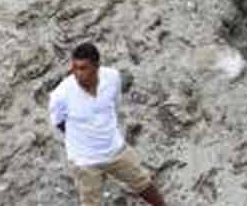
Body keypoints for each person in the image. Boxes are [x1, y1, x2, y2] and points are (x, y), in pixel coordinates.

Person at [49, 43, 168, 206]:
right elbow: (58, 121)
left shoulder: (112, 78)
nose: (77, 74)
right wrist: (83, 138)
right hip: (85, 161)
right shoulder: (61, 95)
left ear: (96, 66)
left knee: (143, 182)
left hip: (114, 149)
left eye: (83, 68)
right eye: (75, 68)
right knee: (91, 202)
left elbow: (114, 105)